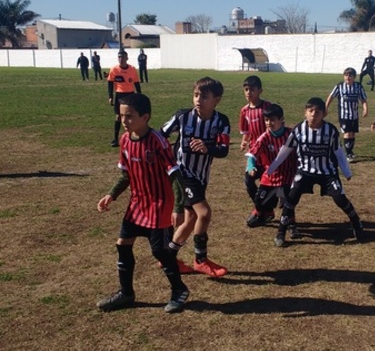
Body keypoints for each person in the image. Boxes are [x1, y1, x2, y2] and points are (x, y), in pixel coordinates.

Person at [96, 93, 190, 313]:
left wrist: (178, 207)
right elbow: (126, 174)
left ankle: (179, 290)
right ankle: (126, 293)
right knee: (123, 244)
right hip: (137, 204)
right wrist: (111, 195)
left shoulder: (157, 141)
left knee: (159, 251)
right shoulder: (125, 141)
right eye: (121, 116)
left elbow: (175, 174)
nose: (123, 121)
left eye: (129, 116)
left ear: (145, 117)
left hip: (159, 204)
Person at [267, 97, 363, 247]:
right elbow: (285, 150)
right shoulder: (299, 130)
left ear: (323, 114)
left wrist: (347, 171)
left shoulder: (330, 131)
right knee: (291, 198)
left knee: (340, 198)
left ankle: (357, 223)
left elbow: (338, 152)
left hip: (327, 172)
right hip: (305, 172)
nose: (313, 115)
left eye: (318, 112)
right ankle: (281, 231)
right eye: (310, 111)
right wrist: (271, 168)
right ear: (305, 112)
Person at [161, 77, 230, 277]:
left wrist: (208, 148)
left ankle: (168, 257)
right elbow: (160, 135)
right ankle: (200, 259)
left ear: (217, 99)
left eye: (205, 96)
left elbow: (224, 149)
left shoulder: (221, 121)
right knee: (204, 213)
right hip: (182, 174)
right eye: (196, 95)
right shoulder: (182, 116)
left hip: (200, 176)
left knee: (191, 218)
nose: (199, 99)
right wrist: (167, 162)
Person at [245, 103, 297, 228]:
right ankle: (265, 213)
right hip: (270, 175)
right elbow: (252, 154)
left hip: (288, 175)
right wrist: (251, 167)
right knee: (259, 200)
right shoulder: (264, 137)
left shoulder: (291, 135)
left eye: (272, 120)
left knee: (288, 200)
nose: (269, 123)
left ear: (281, 119)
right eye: (267, 120)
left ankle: (291, 222)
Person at [238, 75, 272, 214]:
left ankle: (266, 208)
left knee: (269, 183)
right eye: (246, 89)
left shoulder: (267, 107)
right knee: (248, 180)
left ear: (260, 91)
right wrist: (244, 141)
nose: (248, 92)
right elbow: (246, 130)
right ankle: (261, 208)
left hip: (269, 152)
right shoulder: (244, 111)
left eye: (252, 89)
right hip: (254, 153)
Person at [325, 67, 368, 161]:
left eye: (350, 75)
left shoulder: (358, 86)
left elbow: (363, 99)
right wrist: (326, 107)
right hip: (344, 115)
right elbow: (331, 96)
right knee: (347, 133)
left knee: (352, 133)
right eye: (346, 75)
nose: (348, 77)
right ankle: (348, 153)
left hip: (354, 114)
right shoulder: (339, 86)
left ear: (354, 77)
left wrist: (365, 109)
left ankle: (350, 151)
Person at [107, 49, 141, 147]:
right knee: (118, 116)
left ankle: (135, 136)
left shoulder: (132, 69)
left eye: (122, 57)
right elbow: (110, 82)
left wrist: (139, 95)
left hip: (130, 94)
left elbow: (136, 83)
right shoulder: (114, 69)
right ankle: (115, 139)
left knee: (132, 116)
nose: (121, 59)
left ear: (127, 58)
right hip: (119, 95)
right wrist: (110, 96)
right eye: (119, 57)